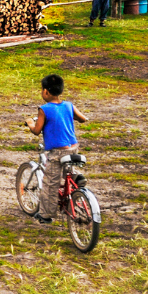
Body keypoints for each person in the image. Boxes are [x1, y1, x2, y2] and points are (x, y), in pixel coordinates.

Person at [24, 74, 88, 224]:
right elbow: (83, 119)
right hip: (73, 148)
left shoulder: (44, 109)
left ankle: (46, 215)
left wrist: (29, 123)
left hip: (58, 152)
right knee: (66, 171)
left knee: (50, 183)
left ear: (45, 91)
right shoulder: (69, 105)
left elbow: (37, 130)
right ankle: (75, 178)